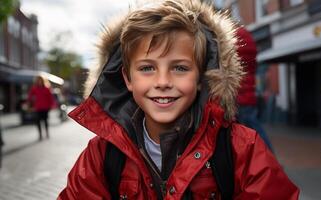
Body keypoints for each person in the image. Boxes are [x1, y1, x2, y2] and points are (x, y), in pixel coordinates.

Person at [58, 0, 299, 199]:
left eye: (180, 68)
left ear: (202, 76)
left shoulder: (241, 149)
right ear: (127, 78)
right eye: (147, 68)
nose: (163, 81)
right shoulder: (101, 156)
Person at [236, 27, 274, 151]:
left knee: (251, 132)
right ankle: (269, 160)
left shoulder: (232, 37)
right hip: (247, 96)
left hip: (239, 96)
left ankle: (269, 162)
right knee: (253, 129)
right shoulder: (247, 37)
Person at [27, 76, 54, 140]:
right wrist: (28, 103)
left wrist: (52, 105)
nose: (39, 82)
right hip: (38, 107)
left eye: (40, 80)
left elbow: (50, 98)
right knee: (38, 121)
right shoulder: (34, 88)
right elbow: (29, 97)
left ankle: (47, 133)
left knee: (45, 121)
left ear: (42, 81)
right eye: (38, 80)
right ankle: (40, 135)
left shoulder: (46, 89)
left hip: (45, 107)